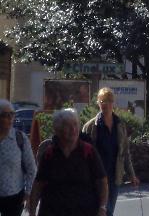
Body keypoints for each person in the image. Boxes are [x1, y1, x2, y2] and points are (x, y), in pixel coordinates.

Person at [28, 108, 108, 216]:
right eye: (67, 125)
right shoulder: (49, 154)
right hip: (53, 211)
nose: (73, 129)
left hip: (85, 211)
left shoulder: (88, 151)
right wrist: (32, 212)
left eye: (75, 124)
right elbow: (38, 184)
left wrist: (102, 208)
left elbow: (102, 181)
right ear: (58, 129)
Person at [81, 88, 139, 216]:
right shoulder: (90, 127)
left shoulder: (120, 125)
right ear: (98, 103)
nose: (106, 104)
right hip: (96, 178)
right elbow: (82, 155)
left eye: (109, 101)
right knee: (99, 210)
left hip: (114, 177)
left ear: (113, 103)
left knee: (109, 211)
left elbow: (125, 153)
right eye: (102, 101)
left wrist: (132, 175)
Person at [0, 100, 36, 216]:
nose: (10, 118)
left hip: (14, 197)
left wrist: (28, 193)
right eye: (5, 115)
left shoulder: (20, 138)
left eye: (12, 114)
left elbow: (32, 168)